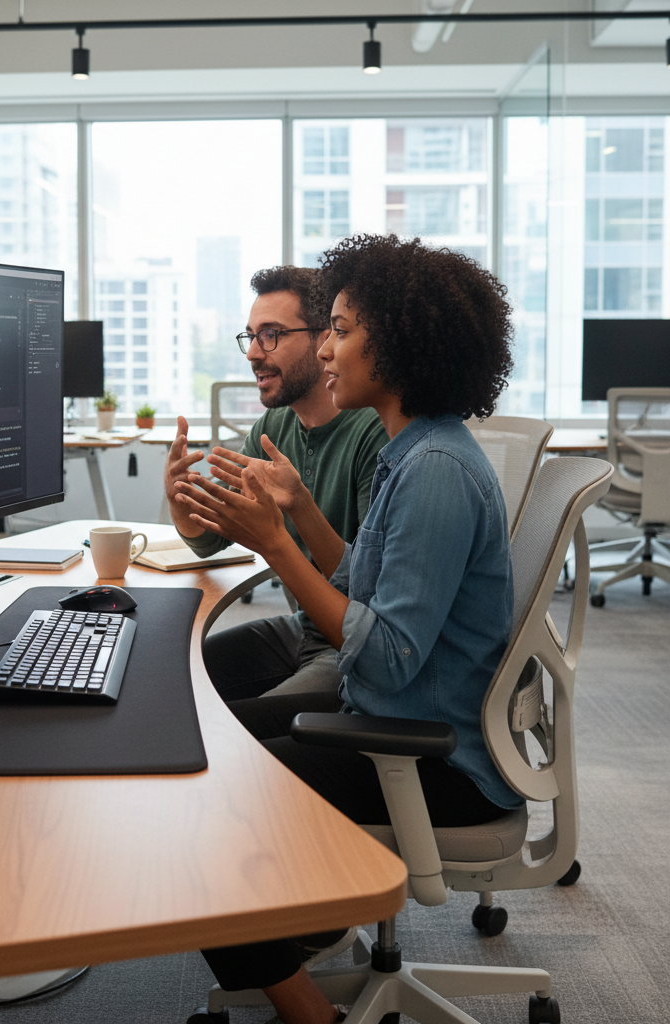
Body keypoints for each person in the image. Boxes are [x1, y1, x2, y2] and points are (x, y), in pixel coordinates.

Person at [173, 234, 521, 1024]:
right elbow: (359, 581)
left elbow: (386, 656)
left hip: (433, 755)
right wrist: (298, 512)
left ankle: (308, 1011)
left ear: (397, 341)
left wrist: (273, 545)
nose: (325, 348)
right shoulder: (415, 450)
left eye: (341, 328)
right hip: (398, 718)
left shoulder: (432, 471)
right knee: (207, 750)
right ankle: (303, 919)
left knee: (210, 799)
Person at [164, 266, 387, 701]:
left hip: (352, 644)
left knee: (236, 734)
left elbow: (367, 593)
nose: (252, 353)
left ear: (325, 338)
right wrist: (181, 500)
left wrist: (277, 537)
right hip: (303, 627)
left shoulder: (373, 432)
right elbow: (210, 543)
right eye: (250, 336)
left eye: (271, 335)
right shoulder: (274, 425)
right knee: (173, 677)